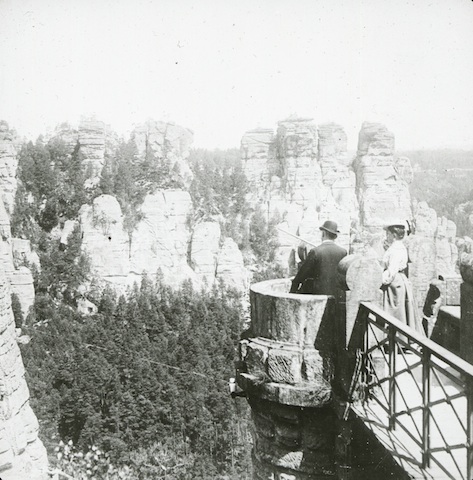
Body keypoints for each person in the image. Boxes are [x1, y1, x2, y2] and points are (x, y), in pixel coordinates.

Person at [381, 223, 423, 333]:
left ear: (394, 235)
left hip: (395, 281)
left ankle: (397, 339)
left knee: (396, 311)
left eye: (388, 234)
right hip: (398, 279)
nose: (387, 236)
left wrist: (381, 279)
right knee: (400, 311)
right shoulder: (396, 247)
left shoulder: (396, 249)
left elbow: (392, 270)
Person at [289, 220, 347, 298]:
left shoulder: (315, 252)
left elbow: (301, 276)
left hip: (319, 298)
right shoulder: (343, 252)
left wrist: (291, 293)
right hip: (337, 298)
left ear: (324, 233)